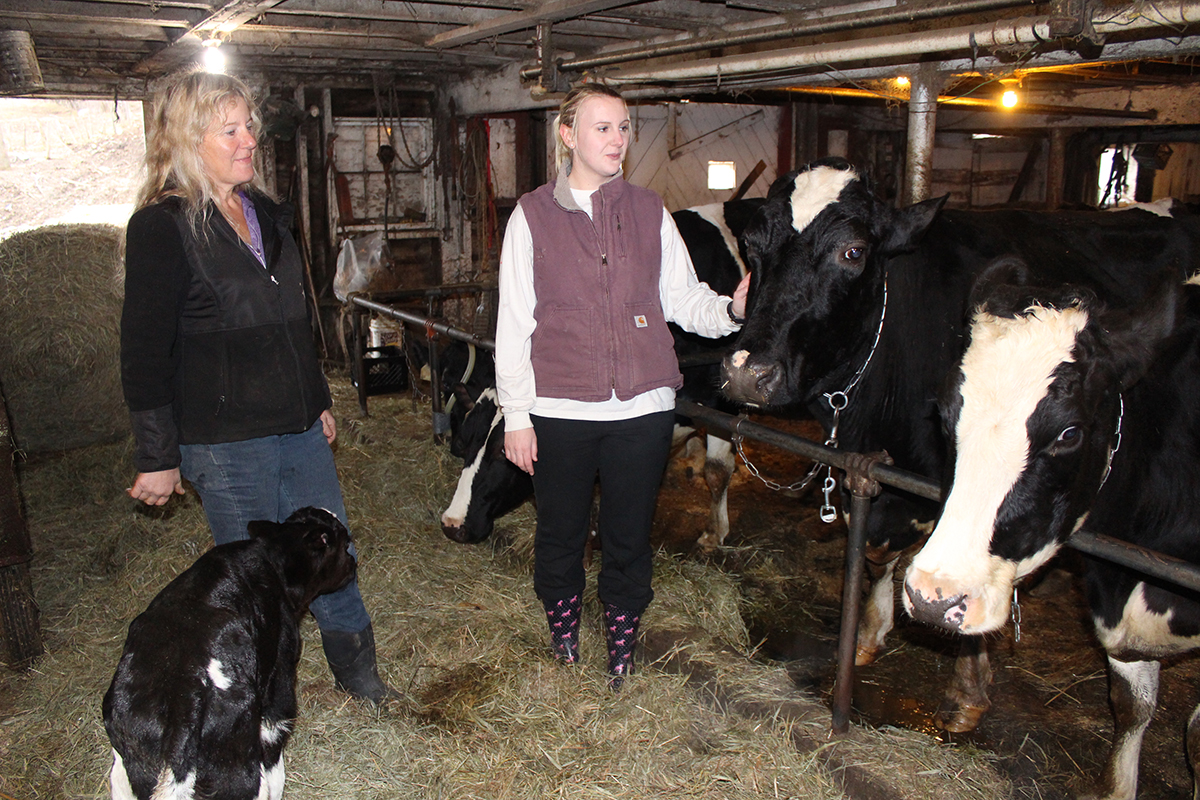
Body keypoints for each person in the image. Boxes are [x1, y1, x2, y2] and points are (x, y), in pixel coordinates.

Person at [119, 68, 392, 704]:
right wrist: (157, 456)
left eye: (250, 127)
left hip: (295, 425)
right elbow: (143, 350)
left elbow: (295, 317)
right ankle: (262, 702)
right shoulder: (162, 228)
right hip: (224, 440)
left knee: (333, 552)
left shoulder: (266, 213)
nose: (249, 141)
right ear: (189, 140)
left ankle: (364, 681)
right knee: (255, 579)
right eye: (231, 130)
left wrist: (317, 398)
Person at [496, 83, 750, 688]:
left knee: (629, 534)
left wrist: (733, 312)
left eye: (624, 127)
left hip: (643, 407)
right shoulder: (531, 216)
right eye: (602, 127)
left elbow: (683, 300)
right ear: (568, 135)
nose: (617, 140)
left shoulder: (649, 210)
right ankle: (564, 635)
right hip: (559, 408)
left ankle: (621, 642)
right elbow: (515, 321)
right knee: (560, 530)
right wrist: (516, 414)